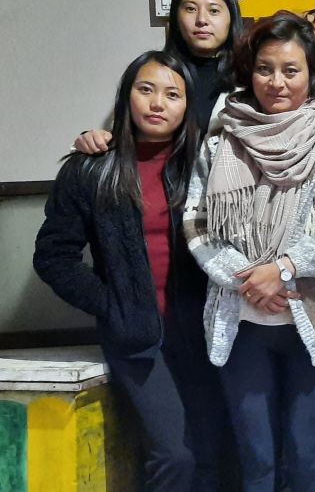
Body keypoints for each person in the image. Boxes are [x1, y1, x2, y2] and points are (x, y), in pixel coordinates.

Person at [184, 12, 315, 492]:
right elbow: (196, 218)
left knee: (309, 458)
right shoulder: (220, 138)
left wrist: (282, 270)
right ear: (248, 71)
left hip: (313, 319)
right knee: (255, 461)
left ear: (312, 74)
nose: (277, 82)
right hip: (239, 323)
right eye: (264, 69)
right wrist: (246, 278)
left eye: (291, 70)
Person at [35, 51, 203, 491]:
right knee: (175, 455)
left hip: (205, 334)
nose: (157, 103)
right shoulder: (91, 167)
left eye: (172, 94)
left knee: (215, 451)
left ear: (188, 106)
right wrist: (112, 304)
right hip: (138, 339)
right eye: (145, 89)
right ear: (127, 95)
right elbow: (53, 256)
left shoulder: (205, 163)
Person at [75, 0, 245, 151]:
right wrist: (93, 140)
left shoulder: (248, 79)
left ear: (231, 18)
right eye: (190, 9)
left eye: (214, 11)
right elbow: (120, 135)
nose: (202, 19)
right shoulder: (151, 73)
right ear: (175, 17)